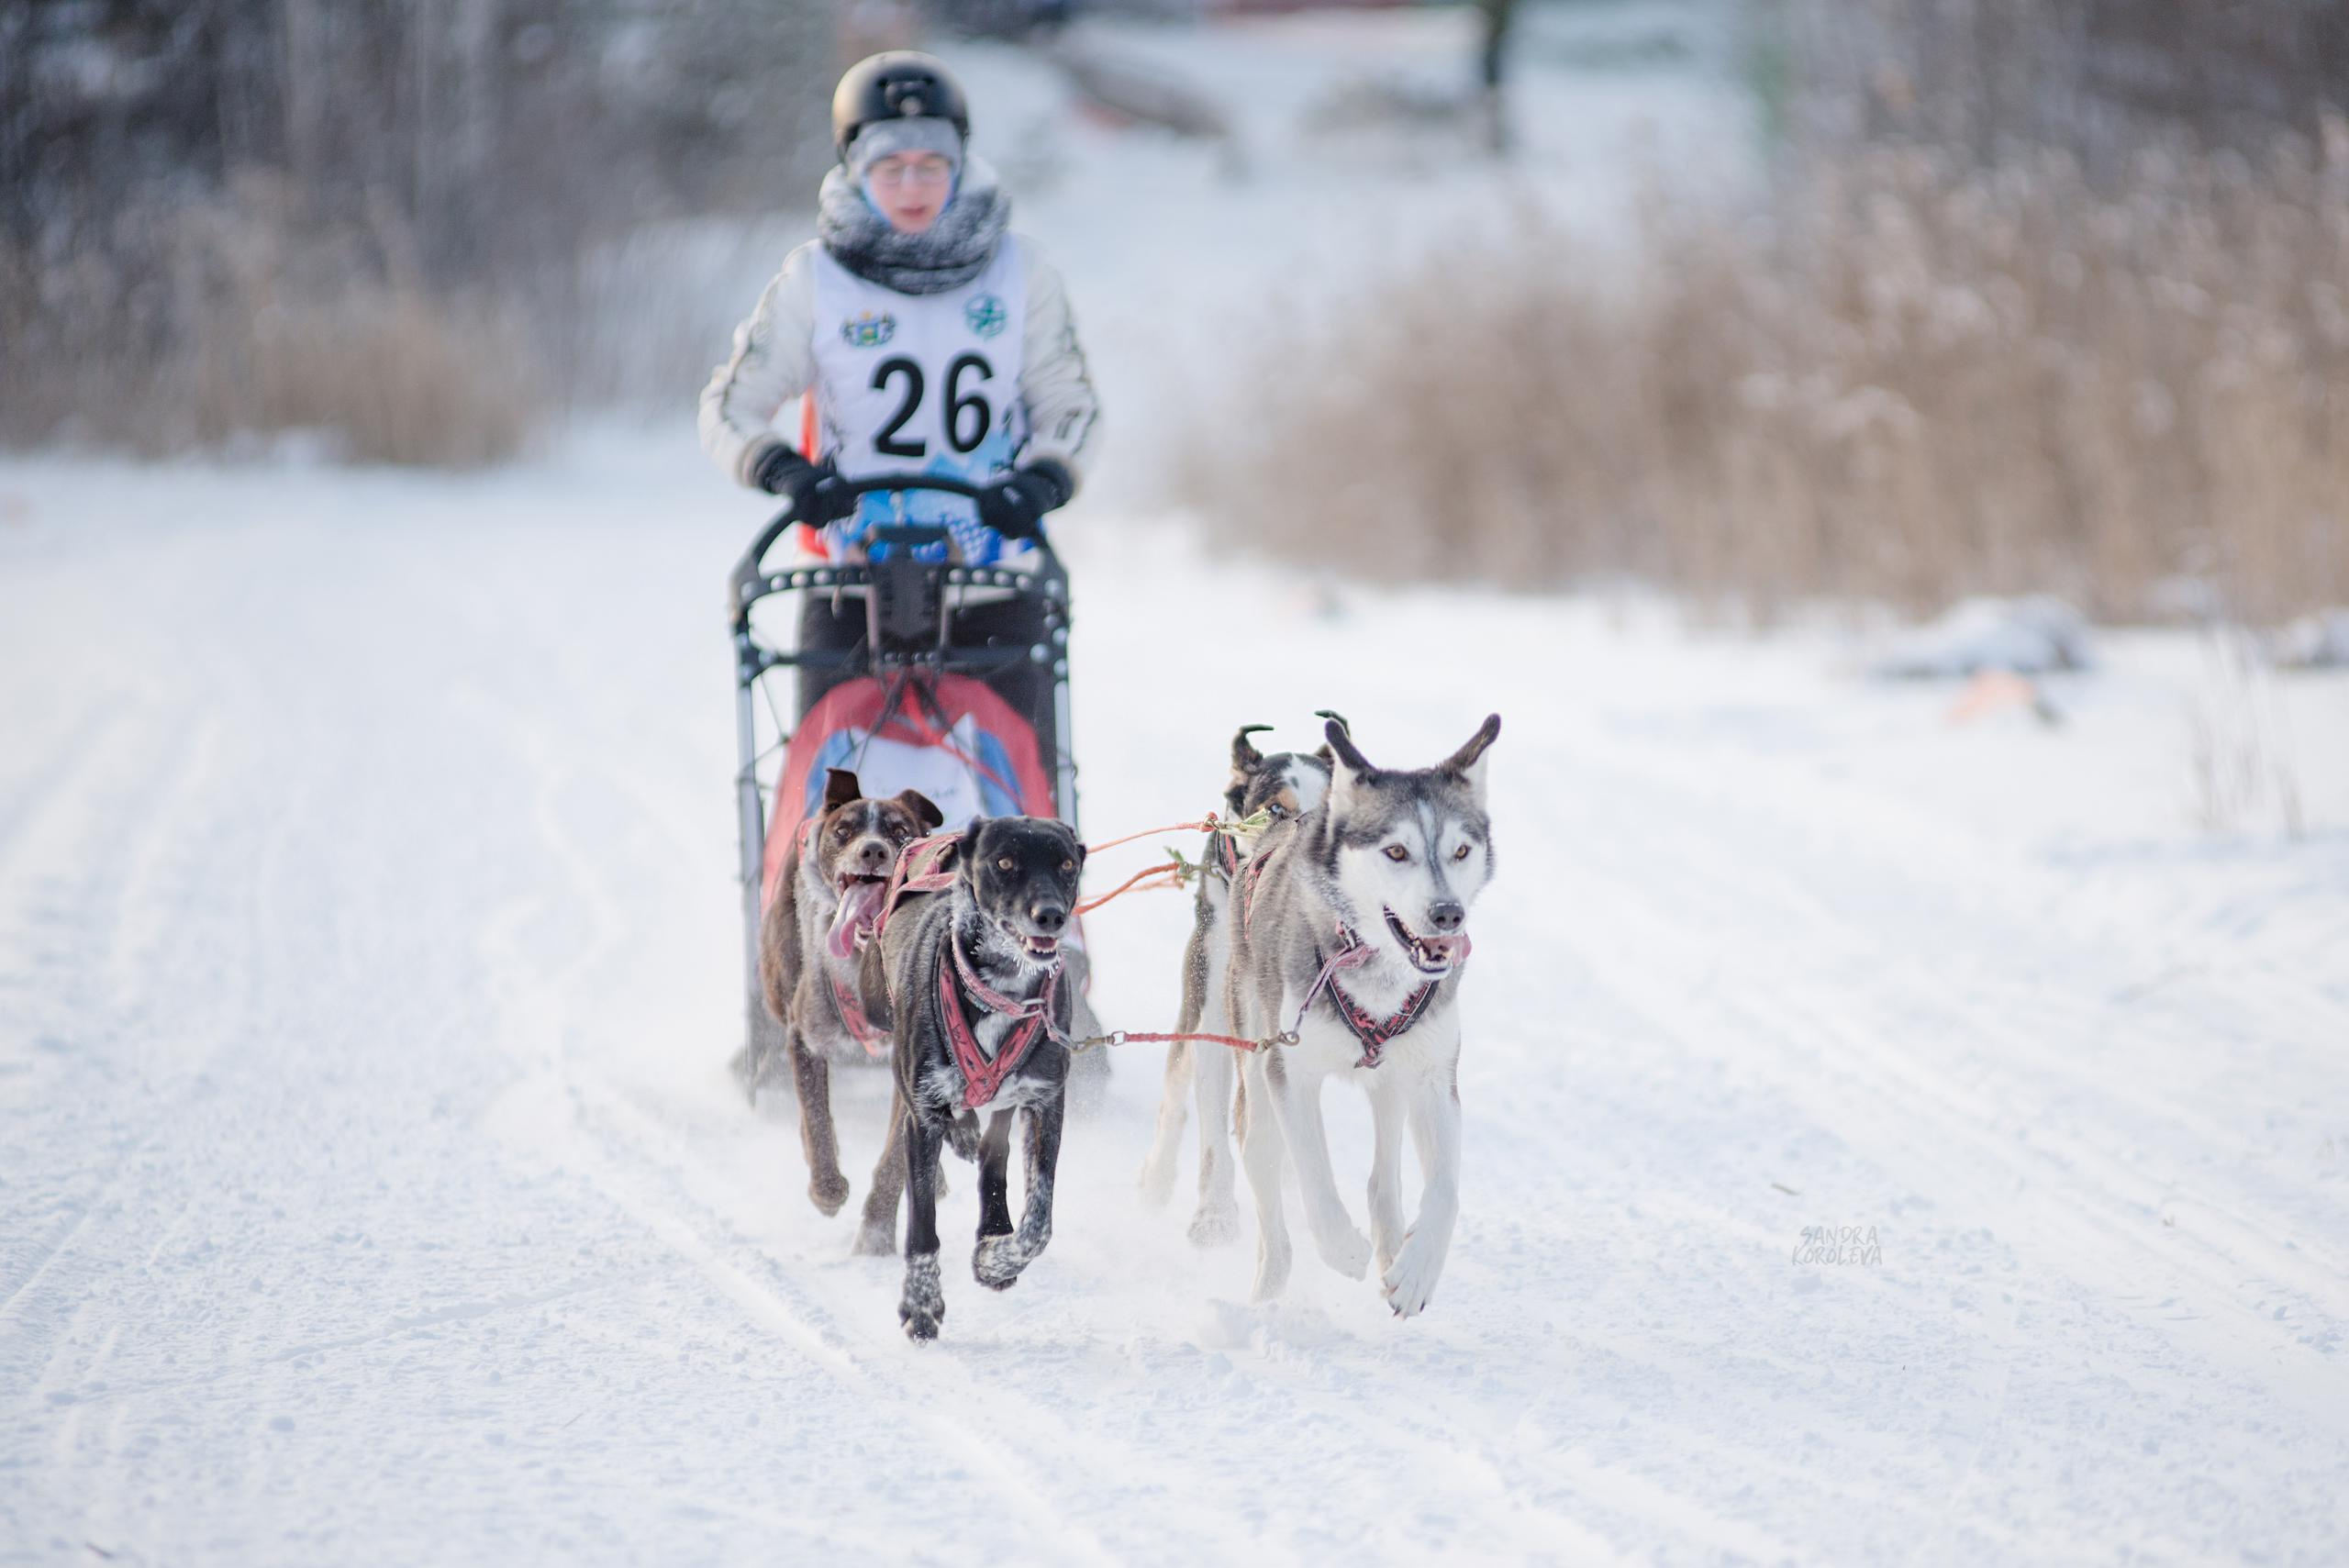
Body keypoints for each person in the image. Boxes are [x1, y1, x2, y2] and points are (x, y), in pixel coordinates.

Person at [700, 51, 1099, 765]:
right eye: (891, 167)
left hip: (992, 578)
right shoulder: (813, 280)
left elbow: (1070, 405)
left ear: (960, 163)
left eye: (930, 164)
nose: (912, 185)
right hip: (849, 582)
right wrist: (787, 472)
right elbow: (731, 408)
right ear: (855, 167)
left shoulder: (1020, 273)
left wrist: (1043, 478)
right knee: (835, 818)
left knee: (1016, 818)